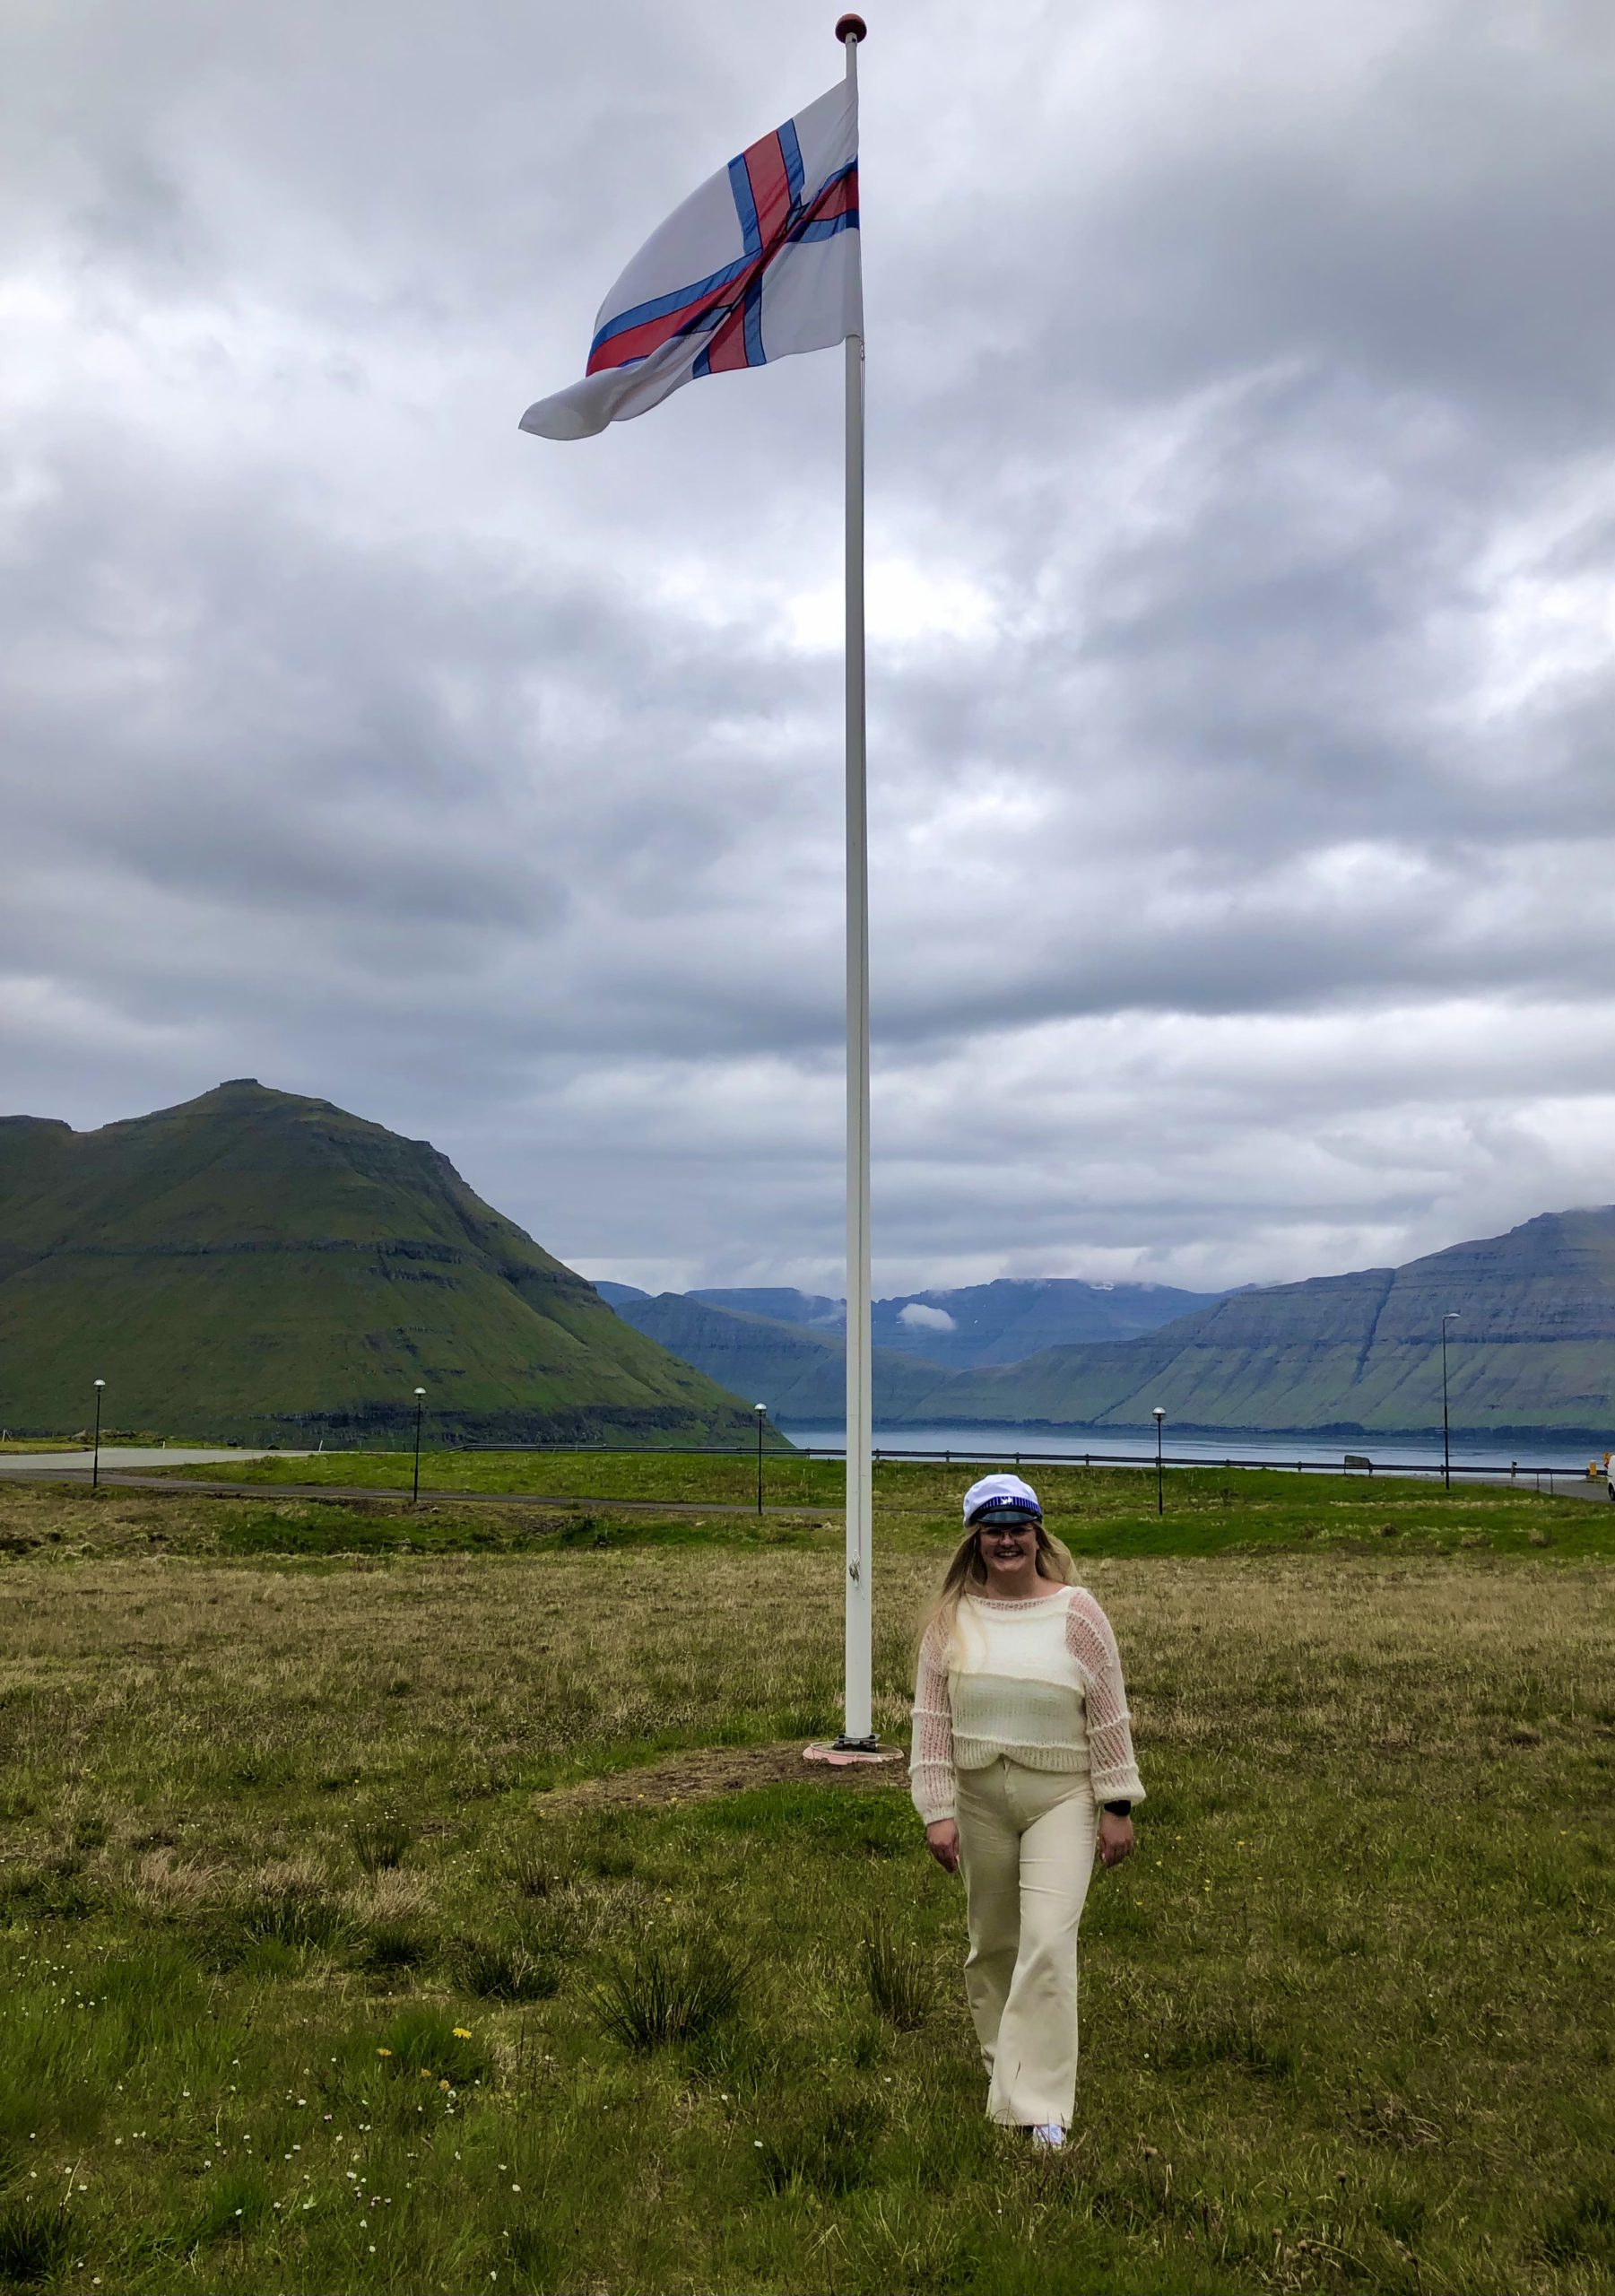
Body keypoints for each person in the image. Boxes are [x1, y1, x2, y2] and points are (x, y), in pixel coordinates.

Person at [909, 1471, 1144, 2149]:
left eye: (1018, 1529)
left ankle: (1040, 2109)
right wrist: (936, 1810)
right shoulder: (949, 1621)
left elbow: (1107, 1714)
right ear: (975, 1542)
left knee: (1046, 1941)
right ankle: (1004, 2067)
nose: (1006, 1541)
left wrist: (1116, 1805)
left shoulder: (1078, 1613)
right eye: (993, 1531)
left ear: (1037, 1537)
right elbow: (932, 1722)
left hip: (1062, 1799)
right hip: (978, 1801)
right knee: (993, 1945)